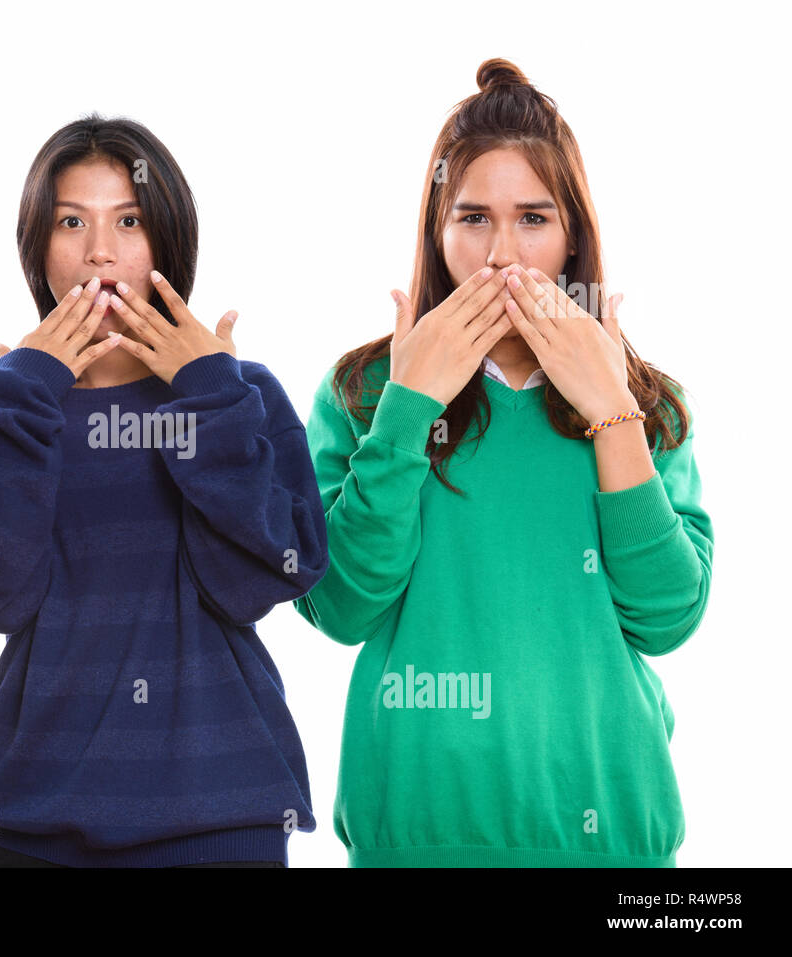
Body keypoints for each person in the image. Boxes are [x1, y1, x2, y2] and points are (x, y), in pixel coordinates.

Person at [294, 59, 714, 867]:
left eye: (533, 218)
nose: (501, 253)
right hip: (416, 839)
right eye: (472, 218)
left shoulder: (650, 403)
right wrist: (409, 406)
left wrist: (611, 410)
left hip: (611, 845)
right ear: (437, 231)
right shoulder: (361, 391)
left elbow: (667, 618)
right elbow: (341, 604)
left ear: (572, 235)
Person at [0, 114, 327, 867]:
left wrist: (207, 394)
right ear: (37, 246)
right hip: (40, 823)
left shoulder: (239, 394)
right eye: (71, 220)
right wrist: (24, 400)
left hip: (224, 815)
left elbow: (263, 578)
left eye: (129, 220)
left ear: (167, 239)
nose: (99, 250)